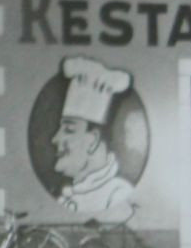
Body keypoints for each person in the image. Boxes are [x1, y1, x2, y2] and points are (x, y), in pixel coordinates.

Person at [49, 56, 137, 216]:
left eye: (68, 129)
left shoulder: (117, 193)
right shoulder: (67, 196)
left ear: (93, 141)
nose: (55, 139)